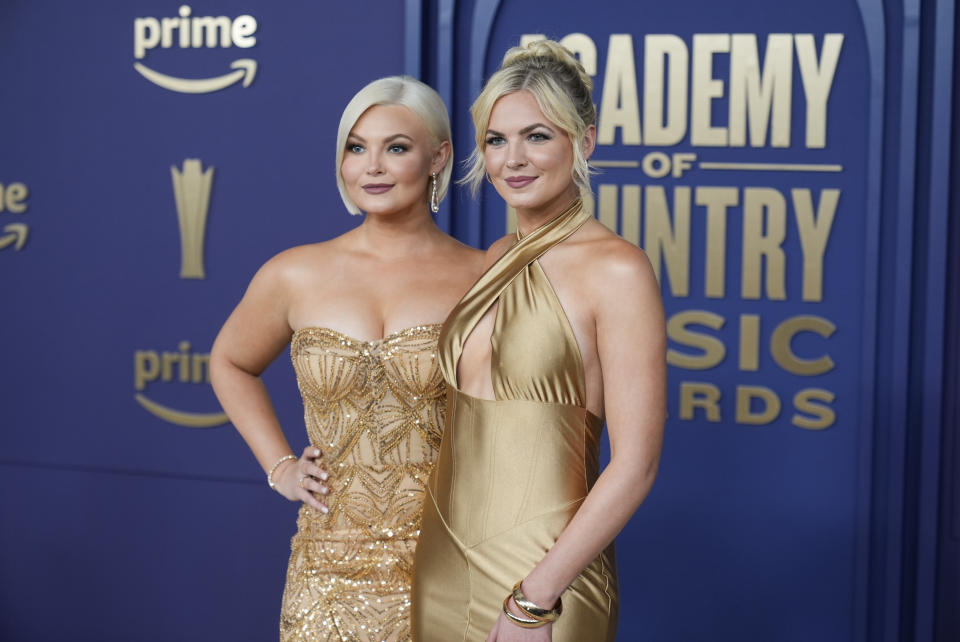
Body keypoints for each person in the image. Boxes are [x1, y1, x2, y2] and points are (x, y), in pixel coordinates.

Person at [209, 76, 483, 642]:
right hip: (325, 568)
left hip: (452, 561)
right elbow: (230, 362)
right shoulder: (294, 272)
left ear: (439, 157)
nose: (372, 166)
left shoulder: (484, 277)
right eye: (356, 148)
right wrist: (280, 466)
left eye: (396, 147)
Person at [410, 40, 666, 641]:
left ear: (585, 140)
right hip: (442, 565)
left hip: (546, 578)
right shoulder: (496, 256)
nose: (512, 160)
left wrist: (534, 599)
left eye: (538, 136)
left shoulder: (618, 269)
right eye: (496, 140)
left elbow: (637, 466)